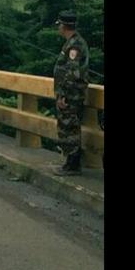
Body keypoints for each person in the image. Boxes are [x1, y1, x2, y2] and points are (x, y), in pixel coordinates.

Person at [52, 10, 90, 176]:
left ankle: (73, 165)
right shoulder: (72, 43)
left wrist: (63, 95)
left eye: (60, 24)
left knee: (70, 127)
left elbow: (72, 73)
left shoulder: (74, 45)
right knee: (67, 127)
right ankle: (69, 163)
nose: (59, 27)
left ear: (64, 26)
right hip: (71, 93)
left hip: (71, 95)